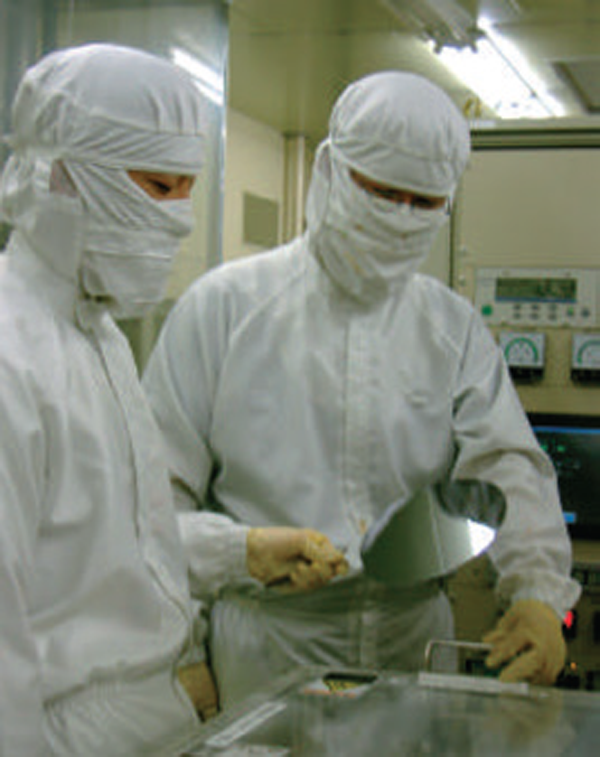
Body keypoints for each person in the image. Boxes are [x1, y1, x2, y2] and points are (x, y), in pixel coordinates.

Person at [142, 71, 581, 707]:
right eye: (382, 193)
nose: (402, 217)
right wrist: (183, 654)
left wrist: (539, 594)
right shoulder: (225, 309)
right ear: (330, 172)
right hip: (265, 647)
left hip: (412, 639)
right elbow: (156, 505)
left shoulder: (451, 329)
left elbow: (508, 469)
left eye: (425, 203)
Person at [0, 43, 346, 757]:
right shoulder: (12, 353)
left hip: (150, 723)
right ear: (56, 176)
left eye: (190, 187)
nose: (183, 220)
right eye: (159, 186)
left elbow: (101, 538)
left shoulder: (95, 335)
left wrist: (241, 550)